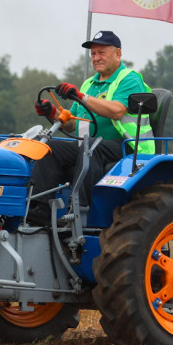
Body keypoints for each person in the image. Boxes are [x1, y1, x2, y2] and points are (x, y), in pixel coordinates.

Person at [28, 30, 154, 224]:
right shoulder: (89, 83)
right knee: (48, 147)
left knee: (92, 146)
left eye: (101, 52)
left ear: (118, 54)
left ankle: (80, 209)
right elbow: (71, 125)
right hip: (90, 145)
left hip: (128, 148)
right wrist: (51, 112)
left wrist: (81, 96)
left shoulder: (129, 79)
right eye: (93, 54)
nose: (96, 58)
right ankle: (40, 209)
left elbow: (117, 111)